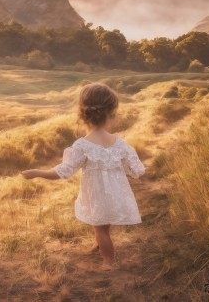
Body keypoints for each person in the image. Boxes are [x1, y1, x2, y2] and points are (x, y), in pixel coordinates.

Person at [21, 83, 146, 271]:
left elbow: (63, 171)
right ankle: (99, 245)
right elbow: (136, 170)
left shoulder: (83, 145)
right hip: (115, 193)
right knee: (103, 224)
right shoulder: (121, 143)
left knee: (99, 227)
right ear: (112, 111)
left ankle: (108, 261)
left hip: (97, 195)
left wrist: (37, 173)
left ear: (82, 112)